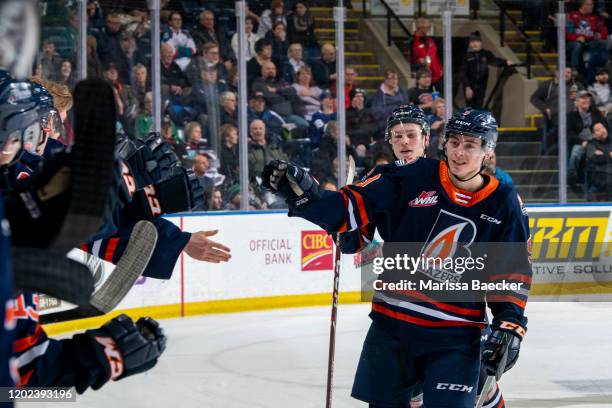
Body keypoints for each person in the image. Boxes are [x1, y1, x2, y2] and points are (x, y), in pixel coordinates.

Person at [261, 105, 531, 408]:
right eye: (454, 143)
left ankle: (485, 392)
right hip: (393, 329)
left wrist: (510, 323)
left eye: (470, 145)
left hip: (456, 334)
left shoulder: (503, 202)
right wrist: (305, 195)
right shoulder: (408, 176)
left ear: (488, 150)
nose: (459, 153)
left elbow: (511, 270)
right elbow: (343, 211)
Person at [461, 31, 512, 110]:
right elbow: (463, 72)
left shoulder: (486, 54)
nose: (475, 44)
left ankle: (478, 121)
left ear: (481, 43)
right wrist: (467, 87)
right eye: (473, 42)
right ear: (470, 44)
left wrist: (505, 62)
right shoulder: (466, 56)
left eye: (477, 41)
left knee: (479, 106)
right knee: (470, 108)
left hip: (481, 85)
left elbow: (494, 61)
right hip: (470, 86)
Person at [566, 0, 608, 83]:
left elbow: (603, 32)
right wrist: (576, 37)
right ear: (583, 5)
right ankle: (574, 71)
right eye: (590, 4)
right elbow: (568, 32)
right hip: (574, 42)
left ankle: (601, 68)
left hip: (589, 42)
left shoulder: (594, 17)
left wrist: (600, 34)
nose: (592, 6)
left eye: (592, 4)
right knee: (577, 45)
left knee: (603, 43)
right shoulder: (572, 15)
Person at [412, 17, 442, 87]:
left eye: (429, 26)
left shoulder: (430, 41)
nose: (429, 28)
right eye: (427, 26)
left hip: (436, 77)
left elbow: (431, 55)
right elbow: (416, 58)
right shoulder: (413, 41)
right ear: (420, 26)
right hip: (423, 78)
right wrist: (422, 61)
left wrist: (440, 70)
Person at [585, 121, 612, 200]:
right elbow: (595, 158)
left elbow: (601, 158)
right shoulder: (591, 145)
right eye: (598, 130)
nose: (602, 130)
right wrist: (609, 155)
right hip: (600, 174)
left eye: (603, 128)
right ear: (593, 134)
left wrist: (604, 154)